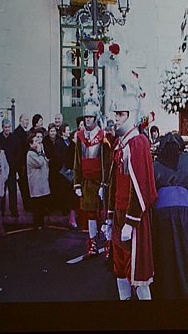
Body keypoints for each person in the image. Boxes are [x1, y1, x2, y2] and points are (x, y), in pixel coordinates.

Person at [103, 88, 157, 300]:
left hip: (133, 218)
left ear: (132, 115)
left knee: (138, 269)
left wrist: (131, 221)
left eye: (121, 114)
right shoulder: (120, 143)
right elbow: (114, 183)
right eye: (116, 114)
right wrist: (109, 218)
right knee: (119, 265)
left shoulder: (139, 143)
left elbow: (143, 186)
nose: (117, 119)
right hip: (118, 215)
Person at [151, 132, 188, 299]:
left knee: (165, 255)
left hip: (163, 214)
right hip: (182, 215)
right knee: (182, 252)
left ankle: (166, 292)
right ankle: (185, 291)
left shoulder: (156, 165)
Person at [74, 100, 112, 259]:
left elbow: (107, 161)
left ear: (96, 118)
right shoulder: (80, 136)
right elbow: (77, 160)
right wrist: (76, 182)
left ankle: (109, 244)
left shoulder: (104, 136)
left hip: (101, 181)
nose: (87, 119)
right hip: (87, 182)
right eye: (86, 117)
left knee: (107, 214)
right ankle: (93, 243)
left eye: (90, 117)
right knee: (90, 214)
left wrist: (105, 183)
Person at [0, 118, 20, 218]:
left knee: (13, 191)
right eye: (5, 127)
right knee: (2, 191)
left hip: (12, 169)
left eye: (9, 127)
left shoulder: (15, 138)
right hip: (1, 170)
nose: (7, 129)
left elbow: (18, 153)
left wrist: (13, 165)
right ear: (2, 128)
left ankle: (14, 211)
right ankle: (2, 211)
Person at [26, 132, 51, 229]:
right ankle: (37, 224)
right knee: (37, 206)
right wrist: (41, 153)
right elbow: (39, 163)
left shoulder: (39, 152)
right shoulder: (30, 154)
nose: (38, 143)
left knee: (41, 204)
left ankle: (42, 223)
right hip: (36, 184)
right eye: (36, 141)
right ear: (31, 144)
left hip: (43, 182)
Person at [59, 122, 79, 229]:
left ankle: (75, 218)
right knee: (72, 199)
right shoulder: (71, 148)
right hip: (70, 177)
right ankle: (72, 219)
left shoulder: (78, 148)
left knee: (76, 199)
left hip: (76, 176)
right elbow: (68, 163)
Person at [43, 123, 64, 214]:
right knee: (50, 186)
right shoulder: (45, 140)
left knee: (58, 187)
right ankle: (50, 207)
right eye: (51, 131)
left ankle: (59, 206)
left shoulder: (60, 140)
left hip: (58, 167)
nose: (52, 133)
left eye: (54, 131)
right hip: (49, 167)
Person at [13, 114, 31, 213]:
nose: (27, 122)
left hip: (25, 163)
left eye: (28, 120)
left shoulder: (23, 132)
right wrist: (21, 165)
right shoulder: (18, 133)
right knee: (24, 186)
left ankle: (28, 205)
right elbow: (19, 150)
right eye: (25, 120)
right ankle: (27, 206)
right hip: (22, 164)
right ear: (20, 121)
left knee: (26, 185)